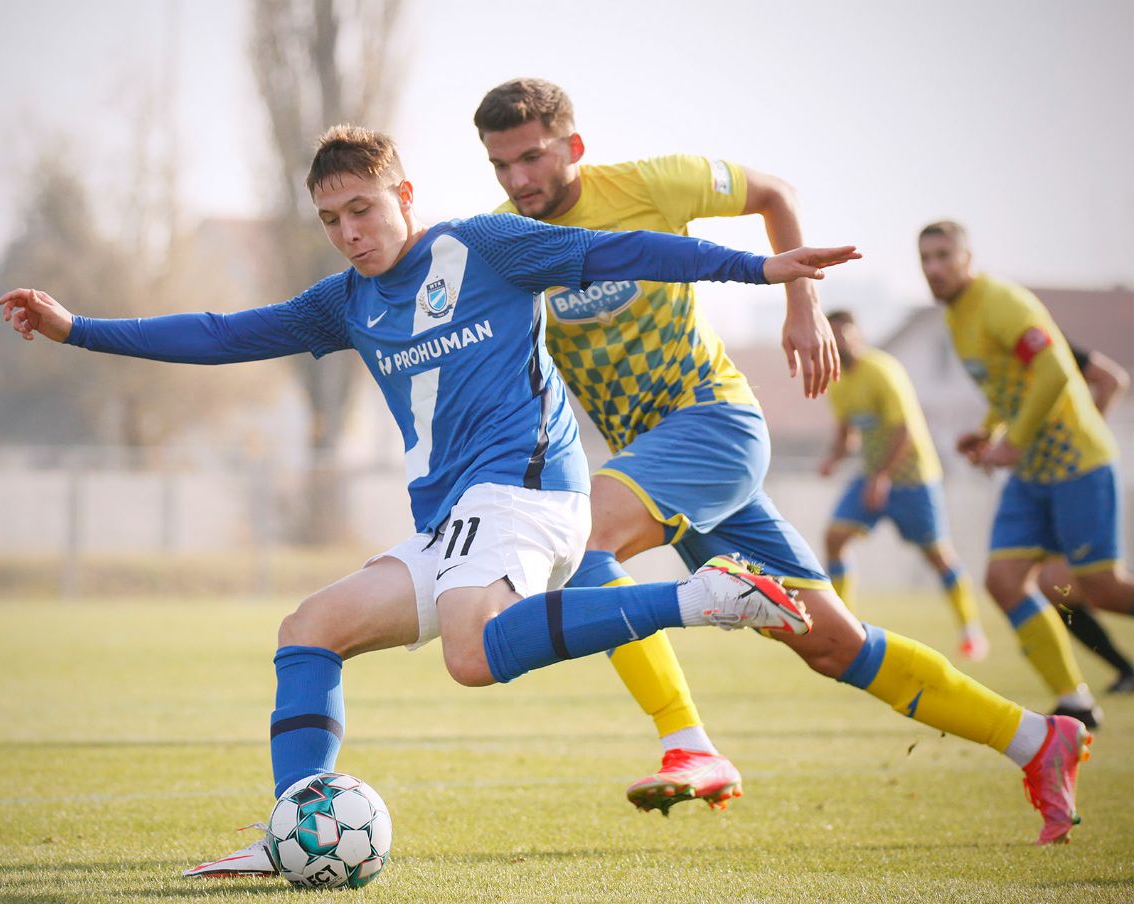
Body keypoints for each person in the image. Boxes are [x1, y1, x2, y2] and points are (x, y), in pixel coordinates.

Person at [0, 124, 857, 879]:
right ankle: (296, 827)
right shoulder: (346, 301)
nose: (350, 232)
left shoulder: (486, 246)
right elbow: (223, 334)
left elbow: (620, 251)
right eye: (331, 220)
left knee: (470, 653)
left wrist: (758, 269)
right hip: (459, 521)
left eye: (363, 209)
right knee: (309, 630)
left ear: (404, 196)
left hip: (529, 492)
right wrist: (79, 330)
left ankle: (703, 597)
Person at [473, 79, 1090, 845]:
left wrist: (801, 303)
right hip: (661, 465)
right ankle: (1036, 739)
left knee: (583, 540)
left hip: (713, 424)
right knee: (834, 644)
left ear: (574, 146)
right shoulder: (506, 239)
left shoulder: (650, 185)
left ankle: (688, 743)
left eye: (532, 157)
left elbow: (775, 193)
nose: (519, 179)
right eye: (501, 165)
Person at [920, 218, 1134, 731]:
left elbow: (1055, 370)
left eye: (944, 256)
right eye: (925, 259)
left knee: (1101, 590)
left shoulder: (1002, 302)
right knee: (1004, 580)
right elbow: (1008, 384)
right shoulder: (956, 317)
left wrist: (1012, 441)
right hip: (1031, 472)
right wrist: (989, 431)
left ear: (968, 258)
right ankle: (1075, 700)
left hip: (1077, 463)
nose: (934, 269)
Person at [818, 310, 989, 660]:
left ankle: (971, 631)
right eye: (832, 336)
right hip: (872, 475)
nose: (839, 342)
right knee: (834, 538)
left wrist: (882, 477)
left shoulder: (883, 371)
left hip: (913, 478)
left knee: (937, 555)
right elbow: (847, 433)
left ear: (859, 336)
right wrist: (833, 458)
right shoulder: (837, 380)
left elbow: (905, 430)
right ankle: (845, 624)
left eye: (844, 334)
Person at [1038, 344, 1134, 692]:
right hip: (1049, 480)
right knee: (1055, 586)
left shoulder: (1039, 337)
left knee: (1104, 588)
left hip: (1081, 474)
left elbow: (1112, 379)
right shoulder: (998, 357)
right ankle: (1128, 672)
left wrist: (1082, 439)